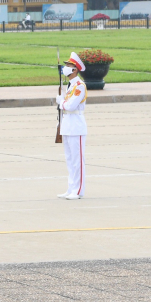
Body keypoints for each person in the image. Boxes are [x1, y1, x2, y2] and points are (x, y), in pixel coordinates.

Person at [56, 53, 87, 200]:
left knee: (77, 160)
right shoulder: (70, 86)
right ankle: (71, 188)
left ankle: (78, 190)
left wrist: (61, 103)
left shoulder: (79, 86)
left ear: (75, 70)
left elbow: (70, 105)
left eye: (68, 66)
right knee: (69, 159)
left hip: (76, 126)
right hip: (68, 125)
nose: (65, 68)